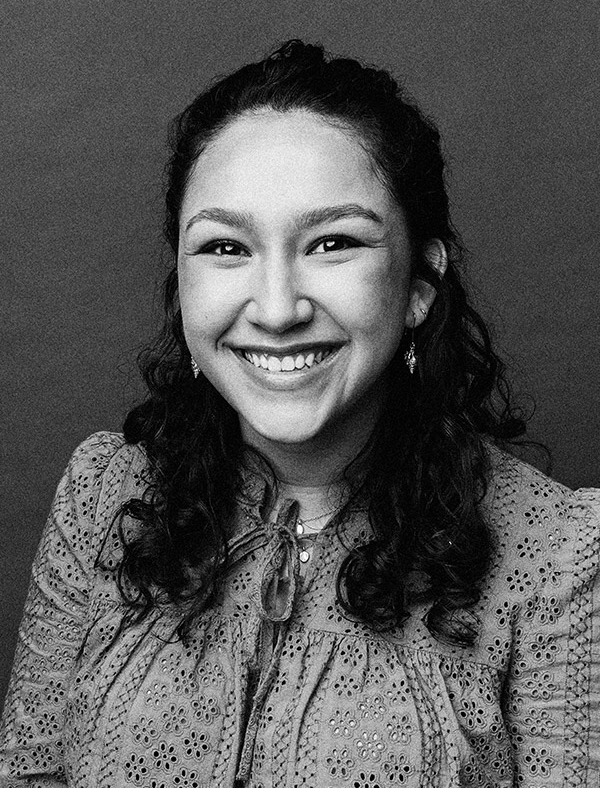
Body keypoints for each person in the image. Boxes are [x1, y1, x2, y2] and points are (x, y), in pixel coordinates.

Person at [1, 39, 598, 788]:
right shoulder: (101, 497)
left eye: (333, 242)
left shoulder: (563, 556)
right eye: (225, 246)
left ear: (420, 283)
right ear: (182, 286)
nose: (278, 308)